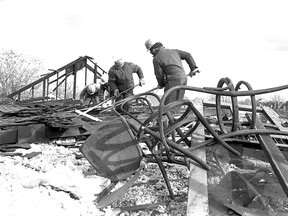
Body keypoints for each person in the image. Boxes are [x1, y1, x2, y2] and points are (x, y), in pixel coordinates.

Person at [144, 38, 200, 105]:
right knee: (177, 103)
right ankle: (175, 115)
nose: (150, 53)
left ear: (154, 48)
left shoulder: (156, 59)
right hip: (184, 79)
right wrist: (193, 68)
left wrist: (161, 84)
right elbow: (188, 55)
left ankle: (169, 115)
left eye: (150, 50)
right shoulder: (174, 51)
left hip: (173, 81)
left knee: (168, 105)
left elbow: (159, 75)